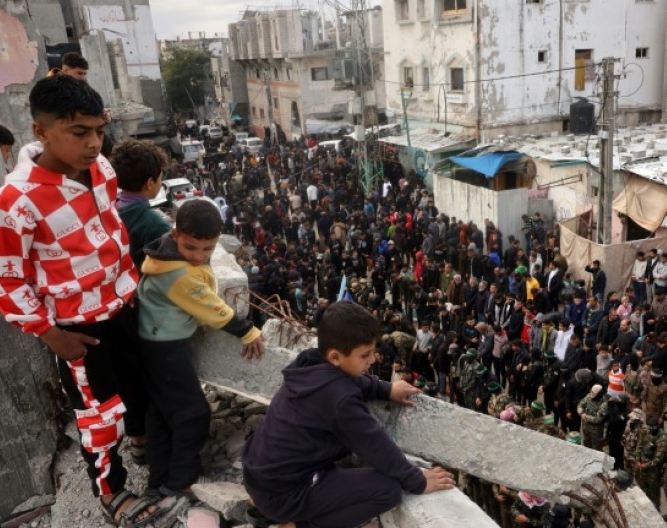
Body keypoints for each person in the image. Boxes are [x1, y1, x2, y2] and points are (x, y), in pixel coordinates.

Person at [0, 75, 163, 526]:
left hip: (124, 304)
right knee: (99, 414)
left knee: (138, 383)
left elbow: (111, 234)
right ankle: (110, 491)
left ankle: (141, 440)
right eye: (80, 132)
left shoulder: (102, 171)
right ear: (41, 131)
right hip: (79, 326)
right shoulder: (13, 201)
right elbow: (1, 278)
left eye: (99, 131)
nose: (94, 143)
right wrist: (49, 333)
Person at [242, 301, 455, 528]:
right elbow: (374, 444)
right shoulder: (339, 399)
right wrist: (417, 480)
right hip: (286, 493)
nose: (372, 360)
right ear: (335, 357)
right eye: (365, 355)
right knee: (387, 492)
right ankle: (298, 525)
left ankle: (266, 501)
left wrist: (385, 389)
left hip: (260, 475)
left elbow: (347, 379)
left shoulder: (311, 362)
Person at [137, 200, 265, 496]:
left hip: (154, 341)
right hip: (166, 348)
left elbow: (192, 301)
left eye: (207, 250)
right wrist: (247, 331)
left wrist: (194, 316)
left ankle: (158, 480)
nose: (199, 256)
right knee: (192, 413)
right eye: (191, 247)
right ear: (175, 233)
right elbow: (212, 306)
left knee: (160, 412)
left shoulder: (166, 254)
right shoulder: (179, 273)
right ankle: (180, 480)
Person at [110, 139, 171, 270]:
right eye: (160, 177)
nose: (161, 182)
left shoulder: (108, 209)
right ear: (150, 183)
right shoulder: (155, 225)